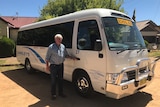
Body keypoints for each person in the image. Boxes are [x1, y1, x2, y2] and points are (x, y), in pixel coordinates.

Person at [45, 34, 72, 100]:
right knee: (53, 80)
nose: (60, 40)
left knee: (61, 80)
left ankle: (61, 93)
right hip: (53, 66)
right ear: (55, 39)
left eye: (61, 39)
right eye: (58, 39)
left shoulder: (63, 46)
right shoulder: (51, 47)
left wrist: (72, 57)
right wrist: (47, 66)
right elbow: (47, 58)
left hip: (61, 65)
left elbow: (65, 55)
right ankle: (53, 94)